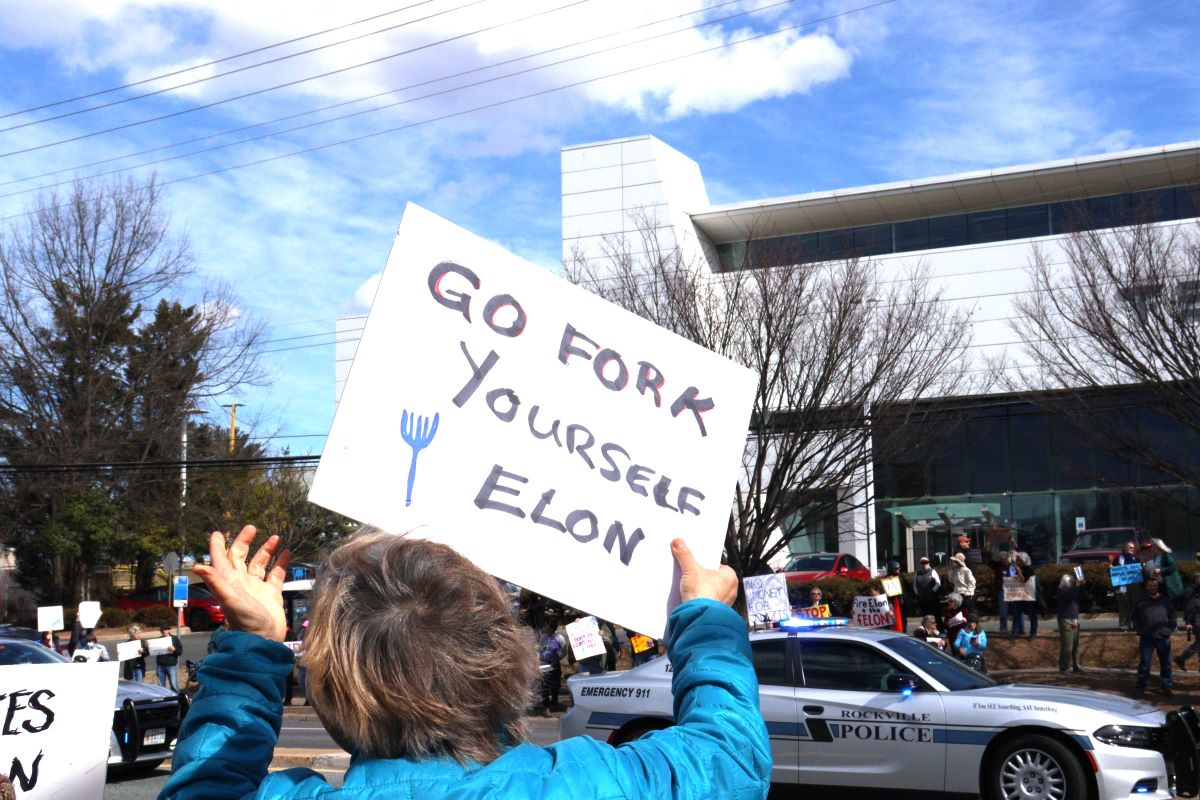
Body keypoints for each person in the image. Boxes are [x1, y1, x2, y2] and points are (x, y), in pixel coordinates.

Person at [160, 525, 771, 800]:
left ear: (333, 692)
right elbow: (729, 754)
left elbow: (205, 786)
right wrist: (705, 616)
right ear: (508, 658)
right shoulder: (601, 784)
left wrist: (255, 642)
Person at [1133, 577, 1175, 697]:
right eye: (1150, 585)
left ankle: (1166, 687)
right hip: (1147, 637)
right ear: (1147, 586)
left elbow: (1172, 616)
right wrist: (1139, 629)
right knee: (1145, 663)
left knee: (1166, 663)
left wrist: (1170, 629)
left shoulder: (1165, 600)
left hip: (1163, 636)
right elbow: (1134, 616)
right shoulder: (1140, 600)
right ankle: (1141, 686)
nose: (1153, 587)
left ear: (1158, 586)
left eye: (1155, 585)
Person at [1057, 573, 1084, 673]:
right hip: (1066, 620)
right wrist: (1076, 586)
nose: (1073, 583)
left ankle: (1077, 666)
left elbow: (1079, 596)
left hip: (1074, 619)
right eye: (1071, 581)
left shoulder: (1073, 590)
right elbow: (1071, 597)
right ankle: (1064, 667)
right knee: (1067, 647)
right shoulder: (1062, 590)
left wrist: (1081, 585)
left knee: (1076, 646)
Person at [537, 619, 566, 715]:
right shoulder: (543, 637)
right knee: (545, 687)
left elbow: (564, 651)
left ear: (552, 628)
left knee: (555, 686)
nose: (546, 628)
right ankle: (546, 707)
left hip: (554, 665)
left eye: (548, 626)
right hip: (543, 665)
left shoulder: (559, 638)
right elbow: (539, 649)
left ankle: (554, 703)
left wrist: (559, 656)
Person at [1112, 542, 1141, 631]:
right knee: (1123, 604)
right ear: (1125, 548)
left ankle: (1136, 625)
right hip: (1122, 585)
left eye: (1133, 547)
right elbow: (1112, 571)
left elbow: (1141, 571)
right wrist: (1111, 568)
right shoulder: (1118, 559)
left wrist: (1141, 569)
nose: (1132, 549)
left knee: (1136, 604)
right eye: (1130, 547)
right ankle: (1124, 625)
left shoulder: (1136, 559)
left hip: (1135, 585)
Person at [1175, 573, 1200, 672]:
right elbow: (1188, 607)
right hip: (1196, 619)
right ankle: (1181, 658)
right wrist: (1188, 622)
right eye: (1198, 577)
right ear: (1194, 579)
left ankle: (1181, 659)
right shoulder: (1190, 590)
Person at [154, 623, 184, 692]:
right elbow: (151, 650)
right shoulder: (158, 640)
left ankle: (178, 699)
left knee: (173, 685)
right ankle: (164, 699)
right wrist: (149, 645)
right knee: (161, 686)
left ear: (168, 630)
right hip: (160, 665)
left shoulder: (174, 639)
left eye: (165, 629)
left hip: (171, 665)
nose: (164, 631)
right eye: (162, 630)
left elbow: (180, 652)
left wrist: (174, 649)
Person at [885, 560, 911, 632]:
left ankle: (904, 634)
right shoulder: (886, 578)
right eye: (896, 568)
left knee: (903, 621)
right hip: (892, 604)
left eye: (899, 568)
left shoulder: (901, 577)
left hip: (902, 603)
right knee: (894, 622)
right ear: (891, 569)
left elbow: (907, 589)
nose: (898, 569)